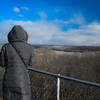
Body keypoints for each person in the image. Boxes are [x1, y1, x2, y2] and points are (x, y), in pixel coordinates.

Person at [0, 25, 35, 100]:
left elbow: (2, 64)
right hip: (23, 82)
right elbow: (32, 63)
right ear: (24, 35)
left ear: (10, 35)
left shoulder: (5, 47)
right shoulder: (30, 48)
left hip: (8, 82)